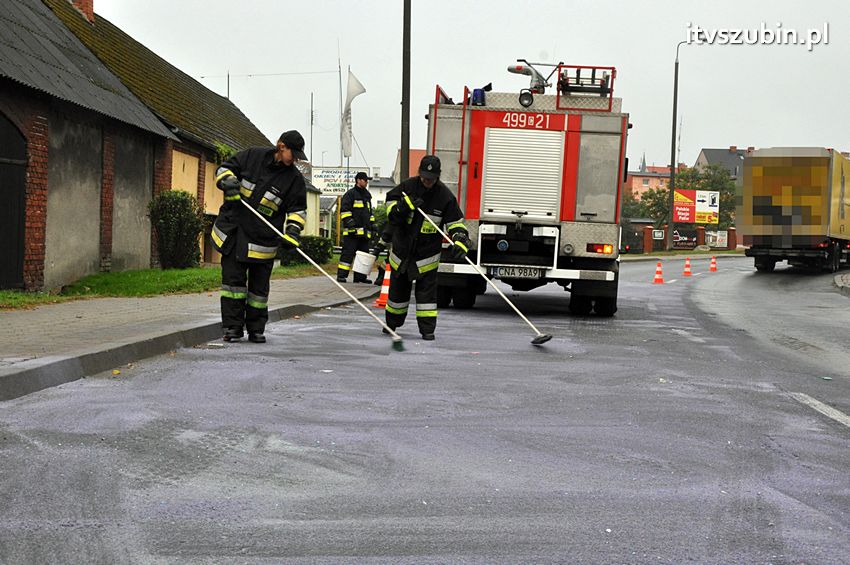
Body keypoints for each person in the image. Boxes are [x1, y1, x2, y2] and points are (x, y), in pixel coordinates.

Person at [211, 130, 308, 343]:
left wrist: (292, 231)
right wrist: (227, 183)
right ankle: (232, 328)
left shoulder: (294, 180)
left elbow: (297, 210)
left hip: (262, 240)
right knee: (233, 286)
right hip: (233, 234)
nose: (296, 160)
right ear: (281, 146)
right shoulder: (252, 156)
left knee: (259, 291)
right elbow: (224, 169)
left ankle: (256, 329)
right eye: (294, 154)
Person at [383, 155, 470, 340]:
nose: (426, 181)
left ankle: (427, 330)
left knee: (427, 299)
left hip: (427, 257)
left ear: (437, 176)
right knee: (397, 295)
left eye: (430, 178)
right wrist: (403, 207)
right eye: (424, 177)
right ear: (419, 173)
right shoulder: (407, 187)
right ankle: (392, 324)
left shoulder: (444, 196)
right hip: (402, 253)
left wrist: (460, 240)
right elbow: (391, 212)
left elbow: (455, 223)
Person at [336, 171, 376, 283]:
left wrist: (373, 225)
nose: (367, 182)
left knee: (363, 255)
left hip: (364, 233)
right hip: (352, 233)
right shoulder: (350, 194)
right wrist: (350, 222)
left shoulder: (367, 196)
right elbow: (344, 211)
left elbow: (369, 213)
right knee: (348, 254)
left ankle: (360, 277)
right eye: (365, 180)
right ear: (358, 180)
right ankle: (342, 275)